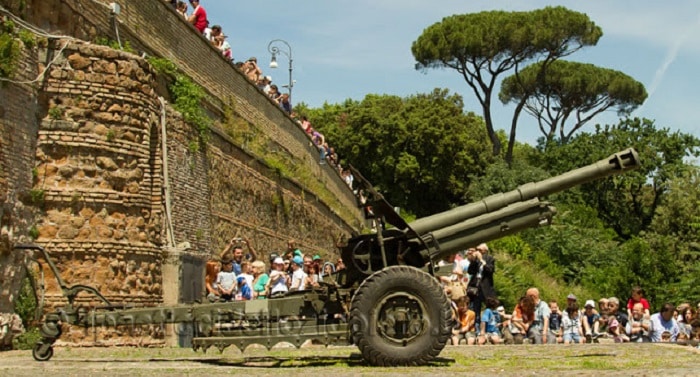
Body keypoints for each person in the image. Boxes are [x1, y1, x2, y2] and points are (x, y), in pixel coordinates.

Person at [466, 243, 495, 331]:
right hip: (475, 287)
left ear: (484, 251)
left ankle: (488, 327)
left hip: (486, 287)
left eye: (479, 250)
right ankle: (475, 327)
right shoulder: (475, 260)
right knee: (474, 307)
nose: (477, 251)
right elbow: (470, 271)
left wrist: (482, 260)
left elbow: (490, 270)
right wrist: (474, 260)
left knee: (488, 307)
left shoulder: (490, 259)